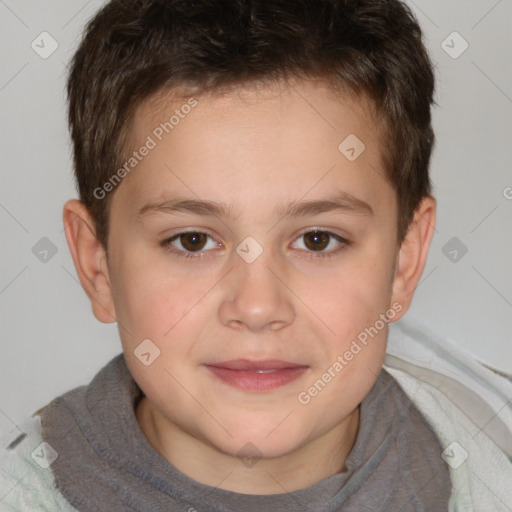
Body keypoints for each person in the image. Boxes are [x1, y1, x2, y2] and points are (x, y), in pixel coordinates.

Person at [1, 1, 511, 510]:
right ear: (98, 267)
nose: (258, 306)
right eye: (192, 240)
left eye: (317, 239)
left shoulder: (494, 449)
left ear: (404, 261)